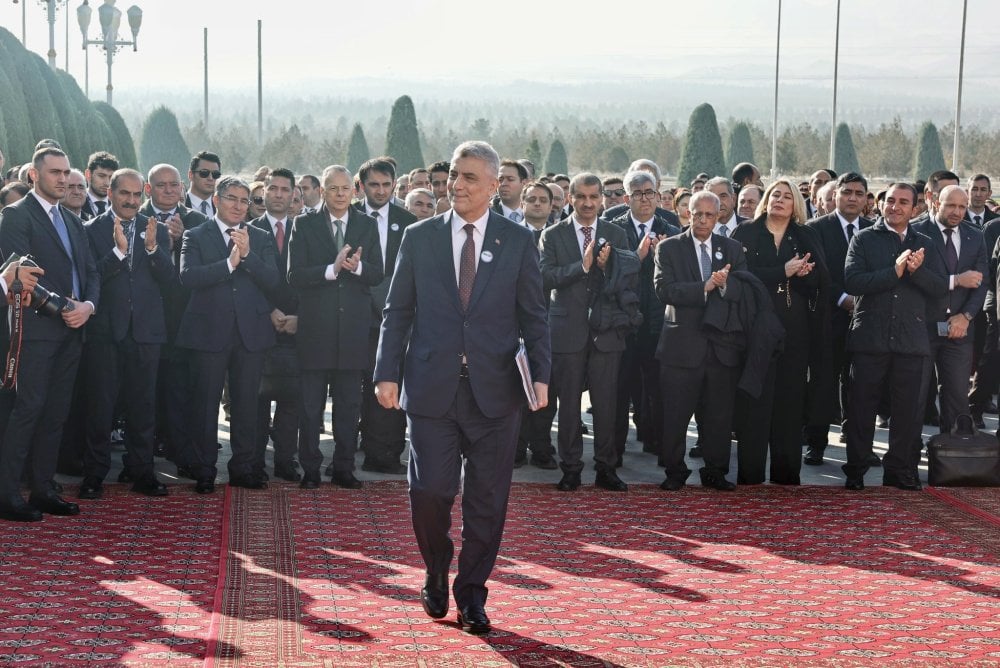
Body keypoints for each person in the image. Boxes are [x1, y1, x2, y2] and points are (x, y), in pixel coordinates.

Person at [374, 141, 549, 635]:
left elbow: (535, 316)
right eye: (454, 174)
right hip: (431, 388)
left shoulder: (517, 242)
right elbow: (397, 311)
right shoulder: (420, 236)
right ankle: (435, 565)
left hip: (496, 393)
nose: (458, 184)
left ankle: (472, 594)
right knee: (430, 490)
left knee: (488, 501)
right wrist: (386, 372)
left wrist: (541, 376)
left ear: (495, 186)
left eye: (471, 177)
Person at [0, 147, 99, 522]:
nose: (62, 178)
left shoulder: (73, 220)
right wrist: (64, 308)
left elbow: (91, 272)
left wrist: (88, 306)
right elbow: (19, 273)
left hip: (73, 330)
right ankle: (8, 493)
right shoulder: (16, 215)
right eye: (55, 172)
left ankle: (44, 489)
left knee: (56, 414)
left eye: (66, 172)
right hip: (36, 332)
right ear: (34, 176)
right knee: (28, 411)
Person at [177, 175, 280, 493]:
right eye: (232, 198)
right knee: (205, 403)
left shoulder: (259, 237)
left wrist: (247, 257)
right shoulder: (196, 234)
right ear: (217, 201)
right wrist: (228, 264)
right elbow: (188, 277)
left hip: (250, 332)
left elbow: (274, 281)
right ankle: (204, 469)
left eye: (244, 200)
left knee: (247, 404)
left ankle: (245, 468)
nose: (238, 206)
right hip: (209, 331)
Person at [842, 183, 947, 491]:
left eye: (903, 202)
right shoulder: (863, 238)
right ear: (880, 204)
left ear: (915, 208)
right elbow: (852, 281)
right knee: (861, 409)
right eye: (890, 201)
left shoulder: (927, 242)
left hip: (911, 340)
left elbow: (940, 288)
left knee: (908, 412)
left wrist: (917, 272)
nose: (895, 207)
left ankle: (899, 471)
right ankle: (856, 471)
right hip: (869, 338)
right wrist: (895, 272)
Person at [80, 168, 173, 499]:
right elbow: (90, 279)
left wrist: (151, 249)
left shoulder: (156, 230)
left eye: (137, 195)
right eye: (125, 194)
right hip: (106, 332)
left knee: (144, 407)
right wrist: (119, 253)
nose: (132, 201)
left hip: (146, 332)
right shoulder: (90, 230)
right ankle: (94, 475)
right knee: (100, 408)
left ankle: (142, 471)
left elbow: (170, 281)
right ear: (111, 193)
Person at [288, 165, 384, 490]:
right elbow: (294, 275)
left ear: (354, 191)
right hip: (316, 330)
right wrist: (330, 270)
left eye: (346, 188)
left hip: (353, 331)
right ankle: (311, 469)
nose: (340, 194)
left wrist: (358, 268)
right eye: (334, 189)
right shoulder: (304, 224)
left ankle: (344, 468)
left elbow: (378, 273)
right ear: (322, 192)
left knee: (348, 406)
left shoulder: (366, 225)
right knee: (310, 406)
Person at [732, 178, 830, 485]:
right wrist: (782, 271)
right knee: (755, 401)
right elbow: (739, 277)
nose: (780, 200)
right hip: (754, 329)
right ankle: (750, 474)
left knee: (790, 401)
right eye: (775, 194)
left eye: (787, 196)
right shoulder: (746, 232)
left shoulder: (805, 235)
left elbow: (822, 281)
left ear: (795, 204)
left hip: (795, 330)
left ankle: (787, 474)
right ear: (766, 199)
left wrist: (804, 275)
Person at [539, 173, 631, 492]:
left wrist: (608, 268)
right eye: (582, 197)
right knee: (568, 406)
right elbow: (544, 277)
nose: (589, 203)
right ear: (570, 199)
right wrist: (583, 265)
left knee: (607, 404)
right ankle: (571, 468)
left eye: (594, 197)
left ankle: (606, 467)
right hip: (567, 331)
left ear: (602, 198)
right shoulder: (553, 235)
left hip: (607, 331)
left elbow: (627, 280)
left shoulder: (616, 234)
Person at [654, 191, 747, 492]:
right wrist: (704, 287)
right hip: (681, 347)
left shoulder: (731, 248)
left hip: (721, 349)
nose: (703, 220)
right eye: (697, 214)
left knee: (719, 416)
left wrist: (724, 287)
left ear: (719, 216)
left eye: (709, 215)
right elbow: (664, 290)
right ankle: (674, 471)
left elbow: (745, 291)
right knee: (676, 414)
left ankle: (715, 471)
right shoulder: (669, 248)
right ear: (687, 214)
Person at [139, 164, 208, 470]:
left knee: (180, 391)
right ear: (148, 188)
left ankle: (182, 453)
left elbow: (196, 273)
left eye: (174, 185)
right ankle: (139, 459)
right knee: (142, 392)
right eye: (161, 185)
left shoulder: (197, 221)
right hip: (141, 319)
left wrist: (180, 242)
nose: (168, 190)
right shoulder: (134, 216)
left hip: (182, 321)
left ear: (182, 187)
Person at [609, 170, 680, 462]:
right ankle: (614, 451)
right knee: (619, 390)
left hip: (658, 322)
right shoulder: (613, 230)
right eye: (637, 194)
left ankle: (660, 445)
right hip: (622, 323)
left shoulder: (672, 229)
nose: (644, 199)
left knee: (659, 389)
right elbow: (608, 276)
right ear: (627, 198)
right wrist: (635, 257)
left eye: (650, 192)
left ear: (658, 194)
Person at [803, 173, 874, 465]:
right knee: (823, 383)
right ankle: (816, 443)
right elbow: (817, 272)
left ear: (867, 198)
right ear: (835, 196)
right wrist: (843, 299)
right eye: (847, 192)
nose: (853, 198)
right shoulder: (815, 229)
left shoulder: (874, 229)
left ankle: (860, 449)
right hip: (827, 319)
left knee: (862, 388)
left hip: (867, 321)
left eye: (859, 193)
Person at [355, 158, 416, 476]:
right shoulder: (347, 217)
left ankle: (386, 453)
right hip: (352, 316)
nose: (380, 191)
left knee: (389, 382)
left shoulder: (408, 221)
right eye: (374, 184)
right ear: (362, 186)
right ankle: (351, 449)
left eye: (386, 185)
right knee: (357, 387)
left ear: (394, 185)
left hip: (393, 319)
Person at [911, 185, 987, 433]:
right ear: (935, 202)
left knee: (956, 398)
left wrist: (965, 317)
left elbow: (981, 281)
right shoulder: (917, 231)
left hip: (959, 330)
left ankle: (953, 457)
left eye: (962, 207)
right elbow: (916, 276)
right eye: (951, 205)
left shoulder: (975, 235)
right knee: (915, 396)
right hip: (920, 327)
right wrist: (956, 279)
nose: (957, 211)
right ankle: (907, 458)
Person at [249, 167, 302, 482]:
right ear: (264, 191)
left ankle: (285, 460)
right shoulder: (247, 230)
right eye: (274, 188)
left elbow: (311, 283)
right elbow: (243, 279)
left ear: (294, 194)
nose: (279, 194)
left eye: (285, 189)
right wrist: (268, 310)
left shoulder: (304, 231)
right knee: (255, 399)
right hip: (257, 325)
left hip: (296, 329)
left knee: (291, 401)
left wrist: (300, 318)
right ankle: (254, 461)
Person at [81, 151, 118, 220]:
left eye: (111, 177)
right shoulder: (75, 203)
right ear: (88, 174)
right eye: (101, 176)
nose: (107, 183)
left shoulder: (119, 207)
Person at [185, 151, 222, 217]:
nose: (210, 178)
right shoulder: (178, 205)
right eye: (204, 173)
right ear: (191, 175)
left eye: (215, 174)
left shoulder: (222, 208)